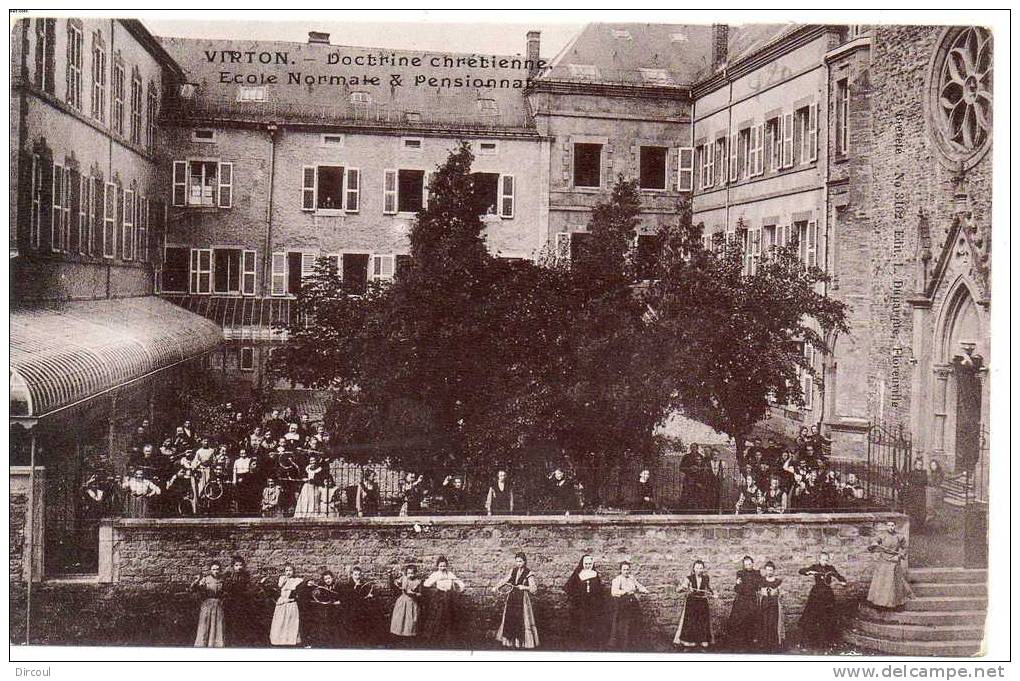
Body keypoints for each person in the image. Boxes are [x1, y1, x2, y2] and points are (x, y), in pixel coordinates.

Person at [797, 552, 848, 648]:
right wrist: (808, 572)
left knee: (828, 616)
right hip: (816, 595)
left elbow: (838, 576)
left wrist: (842, 581)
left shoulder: (830, 568)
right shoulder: (815, 567)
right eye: (823, 559)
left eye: (826, 560)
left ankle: (827, 640)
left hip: (827, 595)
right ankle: (809, 640)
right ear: (819, 559)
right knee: (812, 616)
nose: (825, 561)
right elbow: (801, 571)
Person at [494, 552, 540, 649]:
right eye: (517, 561)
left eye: (520, 561)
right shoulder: (513, 571)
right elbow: (505, 580)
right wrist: (496, 587)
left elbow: (534, 589)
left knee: (522, 619)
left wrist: (523, 587)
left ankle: (521, 643)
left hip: (522, 599)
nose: (518, 563)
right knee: (510, 617)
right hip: (512, 597)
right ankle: (511, 643)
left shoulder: (529, 573)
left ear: (524, 561)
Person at [563, 553, 607, 650]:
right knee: (580, 624)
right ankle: (579, 644)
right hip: (580, 604)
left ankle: (591, 644)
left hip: (593, 604)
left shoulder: (595, 574)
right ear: (582, 564)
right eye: (586, 564)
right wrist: (577, 596)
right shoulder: (578, 574)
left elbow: (600, 590)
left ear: (592, 564)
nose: (588, 566)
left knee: (592, 624)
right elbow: (567, 587)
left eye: (589, 564)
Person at [866, 521, 912, 609]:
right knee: (882, 581)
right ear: (886, 526)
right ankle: (879, 602)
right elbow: (874, 542)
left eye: (892, 525)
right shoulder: (882, 535)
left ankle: (894, 603)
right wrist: (874, 543)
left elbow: (905, 548)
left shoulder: (899, 536)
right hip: (883, 560)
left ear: (895, 526)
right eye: (889, 525)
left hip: (894, 560)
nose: (891, 527)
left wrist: (899, 556)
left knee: (892, 582)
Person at [674, 559, 717, 649]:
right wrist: (684, 587)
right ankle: (689, 644)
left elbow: (710, 588)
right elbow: (679, 590)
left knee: (702, 622)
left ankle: (702, 642)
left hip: (702, 603)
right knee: (691, 622)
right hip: (691, 603)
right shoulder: (689, 578)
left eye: (701, 568)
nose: (699, 570)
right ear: (694, 569)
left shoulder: (706, 578)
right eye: (697, 568)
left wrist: (714, 593)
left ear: (703, 569)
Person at [607, 561, 649, 651]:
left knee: (635, 622)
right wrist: (625, 591)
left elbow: (638, 586)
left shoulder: (631, 578)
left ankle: (634, 642)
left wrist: (644, 590)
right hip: (623, 604)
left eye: (627, 569)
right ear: (620, 570)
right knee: (624, 624)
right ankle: (623, 644)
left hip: (633, 603)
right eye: (624, 569)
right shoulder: (617, 579)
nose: (626, 571)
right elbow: (613, 592)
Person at [422, 556, 465, 646]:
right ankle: (437, 637)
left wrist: (461, 587)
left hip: (449, 597)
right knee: (439, 615)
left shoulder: (450, 574)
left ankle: (449, 637)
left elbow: (458, 581)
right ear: (438, 566)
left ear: (447, 566)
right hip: (440, 597)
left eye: (444, 566)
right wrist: (431, 584)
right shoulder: (436, 574)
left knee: (449, 615)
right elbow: (427, 584)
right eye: (440, 566)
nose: (442, 568)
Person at [726, 555, 763, 651]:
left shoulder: (757, 573)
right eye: (746, 564)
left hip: (752, 600)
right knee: (740, 620)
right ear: (743, 565)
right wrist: (738, 584)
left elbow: (759, 586)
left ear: (753, 564)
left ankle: (750, 642)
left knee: (751, 619)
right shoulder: (740, 573)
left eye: (750, 564)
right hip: (742, 600)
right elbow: (737, 589)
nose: (748, 566)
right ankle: (740, 642)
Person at [223, 556, 257, 646]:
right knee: (232, 622)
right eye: (236, 565)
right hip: (232, 602)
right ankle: (232, 641)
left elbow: (248, 588)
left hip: (243, 602)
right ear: (233, 566)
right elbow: (226, 588)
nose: (239, 567)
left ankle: (242, 641)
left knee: (242, 621)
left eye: (241, 565)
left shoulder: (245, 576)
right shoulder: (228, 576)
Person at [192, 561, 226, 647]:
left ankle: (215, 644)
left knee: (217, 625)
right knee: (204, 625)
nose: (216, 571)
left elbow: (225, 592)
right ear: (210, 570)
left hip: (218, 605)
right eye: (214, 569)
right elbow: (194, 589)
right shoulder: (205, 579)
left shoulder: (222, 580)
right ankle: (202, 644)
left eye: (218, 569)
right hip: (207, 605)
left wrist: (223, 600)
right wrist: (197, 582)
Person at [268, 564, 304, 646]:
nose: (288, 572)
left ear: (293, 571)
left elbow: (302, 585)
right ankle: (279, 639)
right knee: (280, 621)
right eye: (286, 571)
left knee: (291, 621)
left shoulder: (296, 580)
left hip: (291, 603)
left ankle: (290, 639)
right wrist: (283, 583)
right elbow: (278, 588)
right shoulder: (282, 579)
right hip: (281, 603)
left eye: (290, 570)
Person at [307, 570, 343, 648]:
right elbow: (320, 598)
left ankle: (335, 643)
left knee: (335, 626)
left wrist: (339, 601)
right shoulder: (322, 588)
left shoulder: (338, 586)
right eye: (326, 579)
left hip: (336, 610)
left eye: (329, 578)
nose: (328, 580)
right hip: (326, 610)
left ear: (332, 578)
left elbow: (342, 597)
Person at [344, 566, 377, 646]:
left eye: (359, 575)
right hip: (352, 609)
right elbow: (350, 597)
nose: (357, 577)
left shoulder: (363, 584)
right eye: (355, 575)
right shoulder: (348, 585)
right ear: (352, 575)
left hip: (361, 609)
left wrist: (369, 596)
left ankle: (362, 641)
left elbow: (364, 595)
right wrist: (356, 587)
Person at [390, 564, 423, 641]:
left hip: (412, 602)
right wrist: (393, 579)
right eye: (409, 573)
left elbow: (420, 594)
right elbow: (395, 584)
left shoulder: (418, 582)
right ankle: (399, 635)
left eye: (412, 573)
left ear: (415, 573)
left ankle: (409, 636)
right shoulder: (403, 579)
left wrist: (414, 594)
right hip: (402, 601)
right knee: (400, 618)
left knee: (410, 620)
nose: (410, 575)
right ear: (406, 573)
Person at [757, 561, 784, 652]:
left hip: (774, 604)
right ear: (765, 570)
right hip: (764, 603)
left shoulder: (777, 581)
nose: (769, 572)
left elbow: (781, 593)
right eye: (767, 570)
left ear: (774, 571)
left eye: (771, 570)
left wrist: (779, 593)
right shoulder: (762, 581)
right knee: (764, 622)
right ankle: (765, 643)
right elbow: (759, 592)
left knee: (773, 622)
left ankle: (773, 643)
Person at [904, 457, 929, 531]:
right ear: (915, 465)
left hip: (921, 494)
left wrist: (916, 482)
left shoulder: (924, 473)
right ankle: (914, 527)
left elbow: (924, 482)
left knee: (921, 510)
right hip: (913, 493)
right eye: (918, 464)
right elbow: (910, 481)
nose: (920, 466)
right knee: (913, 509)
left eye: (921, 464)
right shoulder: (911, 473)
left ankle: (920, 526)